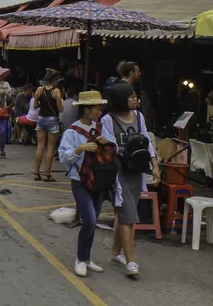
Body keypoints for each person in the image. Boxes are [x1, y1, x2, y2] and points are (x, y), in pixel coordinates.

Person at [102, 65, 159, 278]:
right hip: (119, 174)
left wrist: (155, 164)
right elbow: (108, 146)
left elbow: (146, 141)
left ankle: (116, 253)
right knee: (127, 216)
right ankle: (131, 261)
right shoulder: (107, 120)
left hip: (137, 172)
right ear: (120, 99)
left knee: (124, 213)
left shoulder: (139, 117)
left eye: (135, 96)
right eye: (131, 96)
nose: (135, 99)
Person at [58, 90, 111, 277]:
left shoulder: (102, 128)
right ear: (88, 110)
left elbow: (114, 149)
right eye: (98, 108)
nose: (100, 111)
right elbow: (63, 156)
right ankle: (80, 259)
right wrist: (80, 149)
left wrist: (106, 143)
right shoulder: (72, 131)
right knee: (88, 220)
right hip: (80, 180)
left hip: (99, 180)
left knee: (93, 220)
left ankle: (87, 258)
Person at [33, 69, 64, 182]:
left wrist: (43, 103)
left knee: (40, 146)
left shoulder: (39, 90)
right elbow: (60, 109)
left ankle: (36, 173)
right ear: (55, 80)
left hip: (41, 118)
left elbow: (35, 105)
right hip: (52, 120)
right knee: (50, 147)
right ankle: (47, 174)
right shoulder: (56, 92)